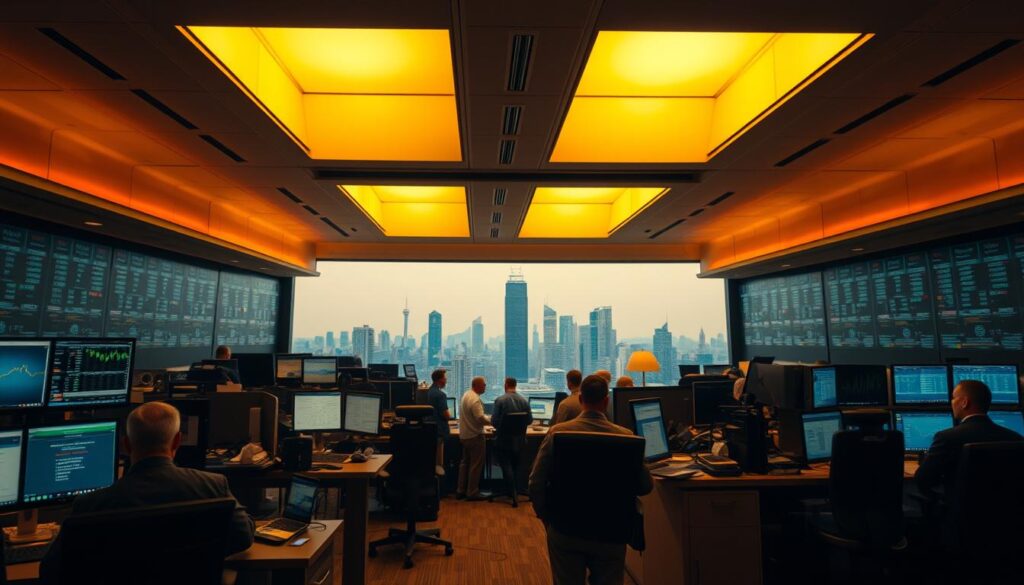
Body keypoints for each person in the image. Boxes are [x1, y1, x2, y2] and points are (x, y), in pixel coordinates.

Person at [40, 402, 254, 583]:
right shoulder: (212, 486)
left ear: (126, 445)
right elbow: (243, 536)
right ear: (177, 441)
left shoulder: (89, 505)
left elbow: (51, 571)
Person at [528, 375, 653, 585]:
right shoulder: (626, 438)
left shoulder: (558, 434)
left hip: (566, 528)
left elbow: (535, 483)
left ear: (580, 399)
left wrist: (547, 518)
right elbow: (645, 486)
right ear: (606, 402)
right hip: (611, 531)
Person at [916, 379, 1023, 497]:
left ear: (964, 403)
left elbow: (923, 479)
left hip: (962, 512)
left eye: (953, 398)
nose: (951, 402)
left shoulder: (946, 437)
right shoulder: (1016, 438)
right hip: (1008, 512)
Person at [491, 377, 533, 506]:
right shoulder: (524, 401)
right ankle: (515, 491)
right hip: (520, 442)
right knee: (516, 465)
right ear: (515, 386)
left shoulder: (500, 400)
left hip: (503, 442)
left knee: (506, 465)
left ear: (506, 385)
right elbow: (530, 421)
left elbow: (494, 422)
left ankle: (510, 491)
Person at [457, 376, 491, 500]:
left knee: (464, 463)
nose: (485, 386)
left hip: (464, 435)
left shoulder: (466, 395)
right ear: (477, 386)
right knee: (476, 465)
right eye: (484, 384)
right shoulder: (475, 400)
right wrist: (492, 421)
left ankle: (460, 490)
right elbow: (480, 418)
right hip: (475, 436)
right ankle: (472, 492)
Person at [425, 368, 451, 475]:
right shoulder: (441, 395)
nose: (446, 380)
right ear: (440, 380)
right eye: (445, 378)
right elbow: (446, 415)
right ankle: (440, 486)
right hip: (439, 432)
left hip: (432, 430)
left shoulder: (430, 391)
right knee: (439, 463)